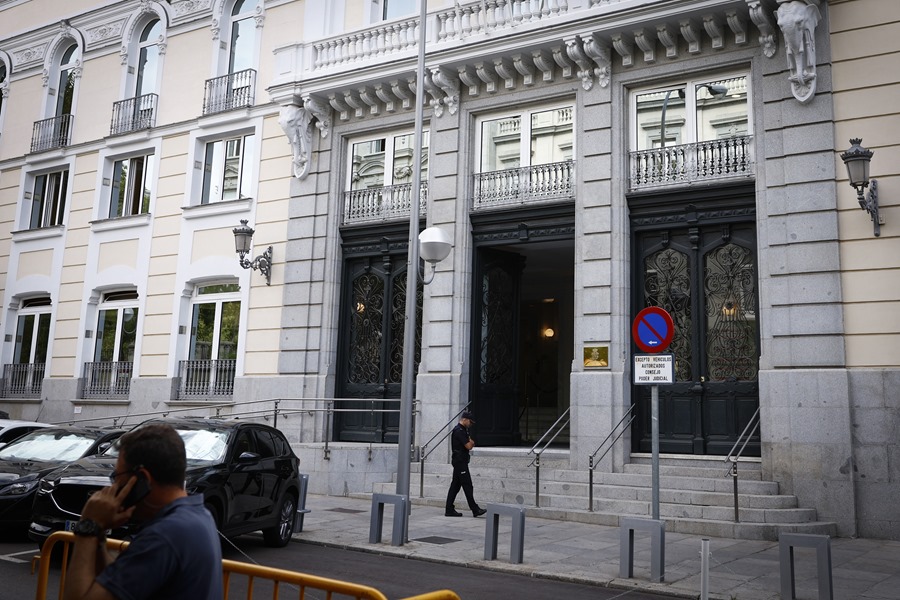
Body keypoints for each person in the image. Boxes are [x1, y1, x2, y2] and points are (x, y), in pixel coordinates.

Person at [63, 423, 223, 600]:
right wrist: (98, 534)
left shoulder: (164, 535)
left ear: (142, 479)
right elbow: (117, 584)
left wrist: (87, 525)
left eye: (117, 477)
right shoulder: (197, 516)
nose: (114, 486)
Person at [445, 411, 486, 518]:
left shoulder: (463, 430)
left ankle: (449, 509)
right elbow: (469, 446)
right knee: (467, 485)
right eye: (470, 422)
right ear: (464, 419)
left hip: (460, 461)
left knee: (455, 486)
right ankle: (475, 509)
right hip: (460, 462)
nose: (471, 424)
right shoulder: (459, 431)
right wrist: (471, 442)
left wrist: (470, 442)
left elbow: (469, 442)